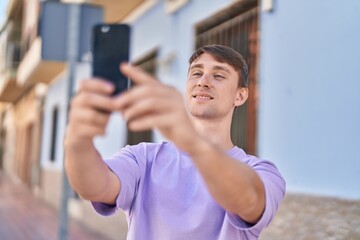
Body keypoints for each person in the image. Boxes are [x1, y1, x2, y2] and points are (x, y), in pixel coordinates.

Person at [64, 45, 286, 240]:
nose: (203, 81)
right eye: (196, 73)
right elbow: (96, 187)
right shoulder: (143, 157)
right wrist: (77, 144)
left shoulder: (262, 172)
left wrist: (193, 143)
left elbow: (249, 201)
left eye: (218, 76)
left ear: (241, 96)